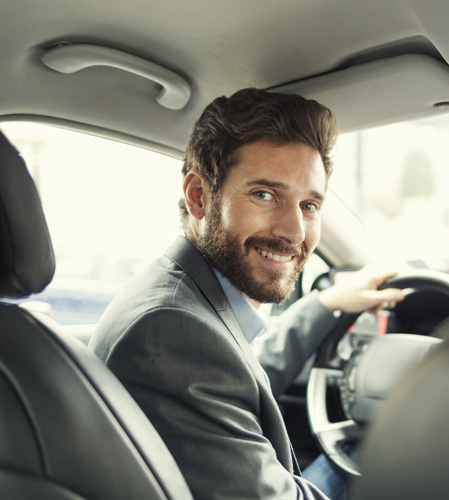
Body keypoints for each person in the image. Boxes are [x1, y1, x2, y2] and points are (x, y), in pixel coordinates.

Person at [89, 88, 404, 500]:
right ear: (199, 197)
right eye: (265, 195)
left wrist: (325, 304)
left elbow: (239, 374)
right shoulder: (170, 330)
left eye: (309, 206)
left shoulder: (184, 301)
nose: (293, 231)